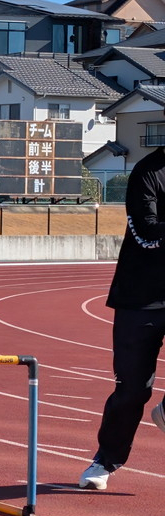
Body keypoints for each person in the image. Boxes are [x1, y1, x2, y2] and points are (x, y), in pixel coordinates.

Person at [79, 146, 165, 490]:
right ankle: (105, 460)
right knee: (132, 390)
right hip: (139, 297)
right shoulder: (148, 172)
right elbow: (146, 231)